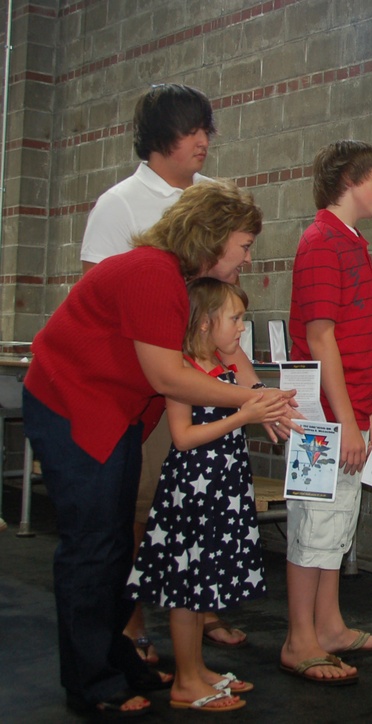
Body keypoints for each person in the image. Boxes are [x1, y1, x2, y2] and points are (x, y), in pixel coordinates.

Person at [23, 180, 299, 717]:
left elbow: (200, 362)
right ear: (213, 238)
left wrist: (258, 398)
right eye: (243, 245)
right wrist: (251, 403)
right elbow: (169, 375)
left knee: (115, 543)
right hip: (71, 406)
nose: (248, 256)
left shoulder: (174, 279)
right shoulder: (152, 273)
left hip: (111, 411)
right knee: (92, 547)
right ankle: (90, 683)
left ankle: (116, 661)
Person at [81, 83, 251, 662]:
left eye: (207, 128)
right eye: (190, 130)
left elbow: (226, 302)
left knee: (202, 504)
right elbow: (97, 306)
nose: (203, 140)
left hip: (205, 376)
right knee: (145, 502)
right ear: (159, 138)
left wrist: (250, 387)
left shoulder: (211, 197)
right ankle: (131, 622)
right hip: (151, 384)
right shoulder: (120, 204)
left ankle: (196, 610)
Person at [127, 279, 278, 712]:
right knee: (186, 587)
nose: (240, 329)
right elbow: (183, 437)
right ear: (207, 323)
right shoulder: (183, 370)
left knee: (202, 586)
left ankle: (198, 667)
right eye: (235, 319)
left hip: (220, 492)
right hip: (192, 492)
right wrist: (242, 416)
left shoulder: (221, 367)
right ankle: (186, 681)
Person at [280, 141, 372, 684]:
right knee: (312, 524)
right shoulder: (321, 240)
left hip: (346, 411)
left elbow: (355, 340)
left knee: (335, 525)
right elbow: (321, 337)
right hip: (322, 418)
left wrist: (369, 411)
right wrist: (345, 419)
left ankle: (328, 625)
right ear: (349, 179)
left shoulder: (352, 243)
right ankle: (299, 638)